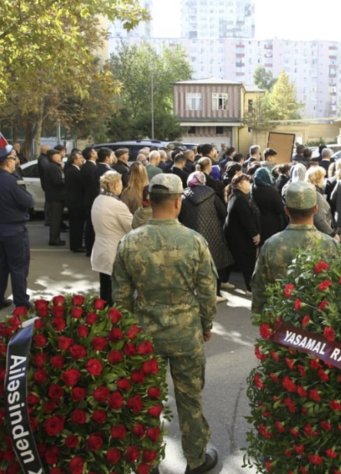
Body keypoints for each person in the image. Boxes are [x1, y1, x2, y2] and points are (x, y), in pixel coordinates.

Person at [112, 173, 219, 474]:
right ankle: (196, 459)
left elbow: (119, 297)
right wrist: (206, 324)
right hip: (186, 331)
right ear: (177, 202)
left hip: (145, 333)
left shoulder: (130, 241)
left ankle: (147, 461)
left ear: (149, 201)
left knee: (146, 398)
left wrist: (126, 333)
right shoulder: (194, 241)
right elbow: (208, 290)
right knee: (189, 397)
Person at [251, 181, 339, 315]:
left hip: (281, 319)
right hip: (319, 321)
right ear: (315, 209)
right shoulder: (331, 245)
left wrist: (261, 317)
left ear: (286, 210)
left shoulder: (271, 244)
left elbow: (259, 287)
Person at [0, 145, 34, 310]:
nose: (15, 161)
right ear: (7, 162)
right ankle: (21, 300)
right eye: (13, 158)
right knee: (18, 266)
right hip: (14, 229)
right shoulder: (12, 181)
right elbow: (29, 202)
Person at [179, 171, 233, 303]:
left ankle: (194, 293)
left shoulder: (183, 195)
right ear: (203, 180)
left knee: (194, 263)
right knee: (215, 262)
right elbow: (223, 212)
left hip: (190, 235)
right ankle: (215, 293)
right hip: (212, 234)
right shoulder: (211, 193)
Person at [91, 171, 132, 305]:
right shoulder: (116, 205)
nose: (122, 186)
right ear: (115, 186)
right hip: (113, 251)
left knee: (105, 289)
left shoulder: (98, 199)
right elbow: (132, 227)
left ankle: (104, 316)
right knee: (114, 293)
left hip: (101, 249)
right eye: (121, 183)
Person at [224, 174, 261, 293]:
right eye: (246, 182)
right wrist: (254, 234)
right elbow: (246, 219)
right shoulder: (239, 198)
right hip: (240, 236)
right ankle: (250, 288)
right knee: (248, 261)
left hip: (237, 235)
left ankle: (223, 280)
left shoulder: (240, 196)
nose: (249, 184)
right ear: (239, 184)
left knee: (234, 259)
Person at [251, 166, 286, 243]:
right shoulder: (271, 191)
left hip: (258, 222)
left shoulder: (253, 187)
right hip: (272, 223)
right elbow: (280, 208)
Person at [42, 149, 67, 246]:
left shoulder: (54, 166)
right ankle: (54, 239)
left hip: (55, 196)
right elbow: (57, 181)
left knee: (56, 219)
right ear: (52, 157)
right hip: (55, 197)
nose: (60, 157)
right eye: (57, 156)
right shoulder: (52, 167)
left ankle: (56, 238)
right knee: (55, 220)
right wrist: (65, 180)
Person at [305, 167, 336, 238]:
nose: (324, 179)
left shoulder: (309, 191)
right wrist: (332, 234)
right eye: (323, 177)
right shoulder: (316, 194)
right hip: (319, 236)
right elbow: (319, 219)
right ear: (317, 179)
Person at [64, 152, 86, 253]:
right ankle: (76, 245)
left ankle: (75, 244)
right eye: (80, 158)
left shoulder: (71, 170)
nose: (82, 160)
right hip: (76, 202)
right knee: (77, 225)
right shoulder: (75, 171)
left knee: (75, 224)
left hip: (73, 201)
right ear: (75, 160)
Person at [80, 147, 98, 256]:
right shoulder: (91, 167)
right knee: (91, 226)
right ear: (91, 154)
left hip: (88, 198)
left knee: (90, 225)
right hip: (91, 199)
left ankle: (89, 247)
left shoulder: (86, 166)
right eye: (95, 152)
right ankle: (90, 248)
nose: (96, 153)